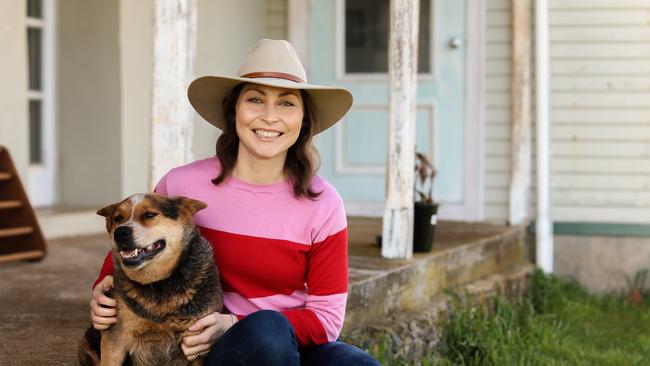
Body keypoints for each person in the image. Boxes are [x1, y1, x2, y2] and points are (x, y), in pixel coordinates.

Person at [89, 39, 380, 366]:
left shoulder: (324, 203)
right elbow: (140, 241)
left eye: (286, 104)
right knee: (266, 336)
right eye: (255, 99)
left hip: (289, 339)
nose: (270, 117)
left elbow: (326, 320)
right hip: (216, 349)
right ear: (234, 111)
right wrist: (103, 288)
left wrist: (236, 323)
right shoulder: (182, 184)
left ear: (303, 120)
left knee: (355, 363)